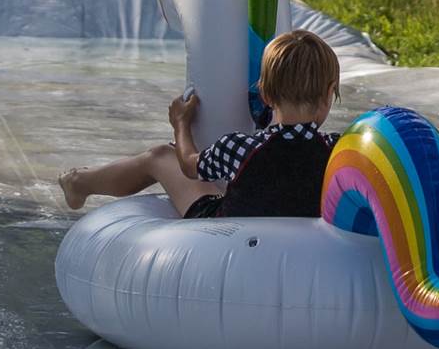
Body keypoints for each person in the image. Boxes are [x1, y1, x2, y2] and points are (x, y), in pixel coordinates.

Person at [58, 29, 341, 218]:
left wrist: (181, 124)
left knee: (161, 156)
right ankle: (79, 182)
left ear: (265, 93)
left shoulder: (238, 147)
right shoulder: (337, 151)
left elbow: (190, 165)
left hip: (222, 234)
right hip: (306, 240)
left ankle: (78, 182)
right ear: (329, 94)